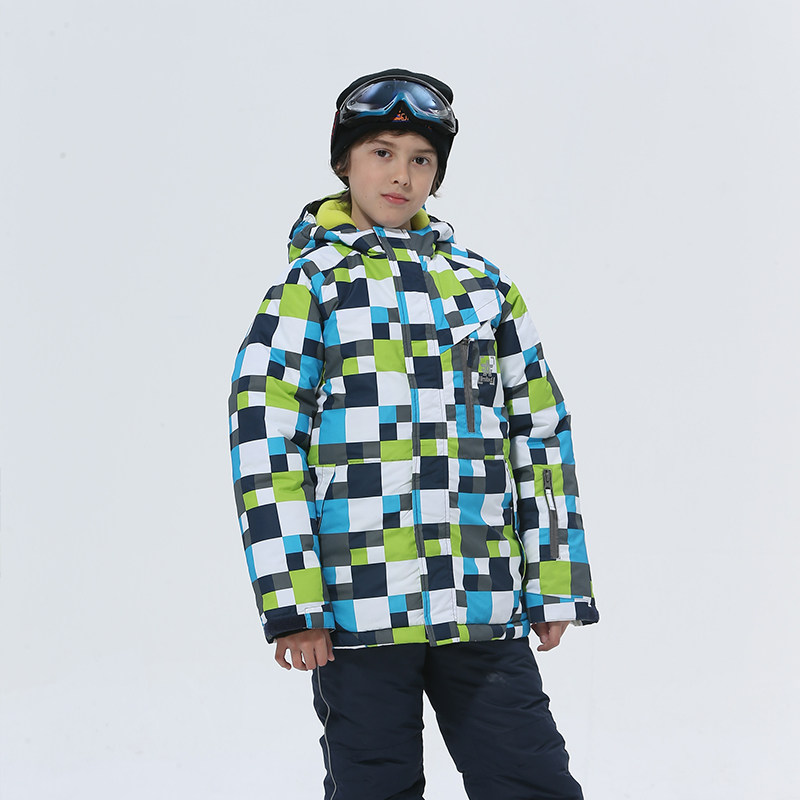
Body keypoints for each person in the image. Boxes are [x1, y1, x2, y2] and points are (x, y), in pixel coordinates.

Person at [229, 68, 599, 800]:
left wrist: (553, 582)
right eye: (382, 152)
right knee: (374, 784)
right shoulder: (312, 288)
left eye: (421, 159)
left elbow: (540, 434)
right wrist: (294, 605)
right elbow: (264, 445)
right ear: (345, 162)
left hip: (481, 598)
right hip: (358, 607)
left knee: (529, 777)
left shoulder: (484, 288)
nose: (401, 175)